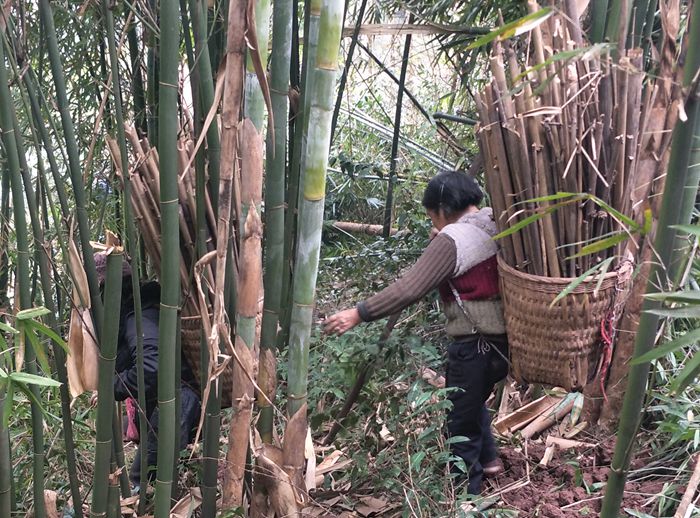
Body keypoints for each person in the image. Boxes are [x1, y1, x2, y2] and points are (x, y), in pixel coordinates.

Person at [324, 170, 508, 495]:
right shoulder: (495, 221)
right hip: (503, 343)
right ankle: (490, 460)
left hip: (473, 343)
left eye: (431, 216)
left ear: (442, 209)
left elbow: (410, 288)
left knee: (459, 421)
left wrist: (358, 313)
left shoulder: (453, 239)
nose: (433, 223)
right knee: (471, 399)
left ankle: (465, 495)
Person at [93, 252, 201, 489]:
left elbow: (151, 368)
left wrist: (111, 386)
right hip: (168, 401)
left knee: (142, 481)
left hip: (176, 401)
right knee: (149, 478)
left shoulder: (139, 318)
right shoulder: (139, 312)